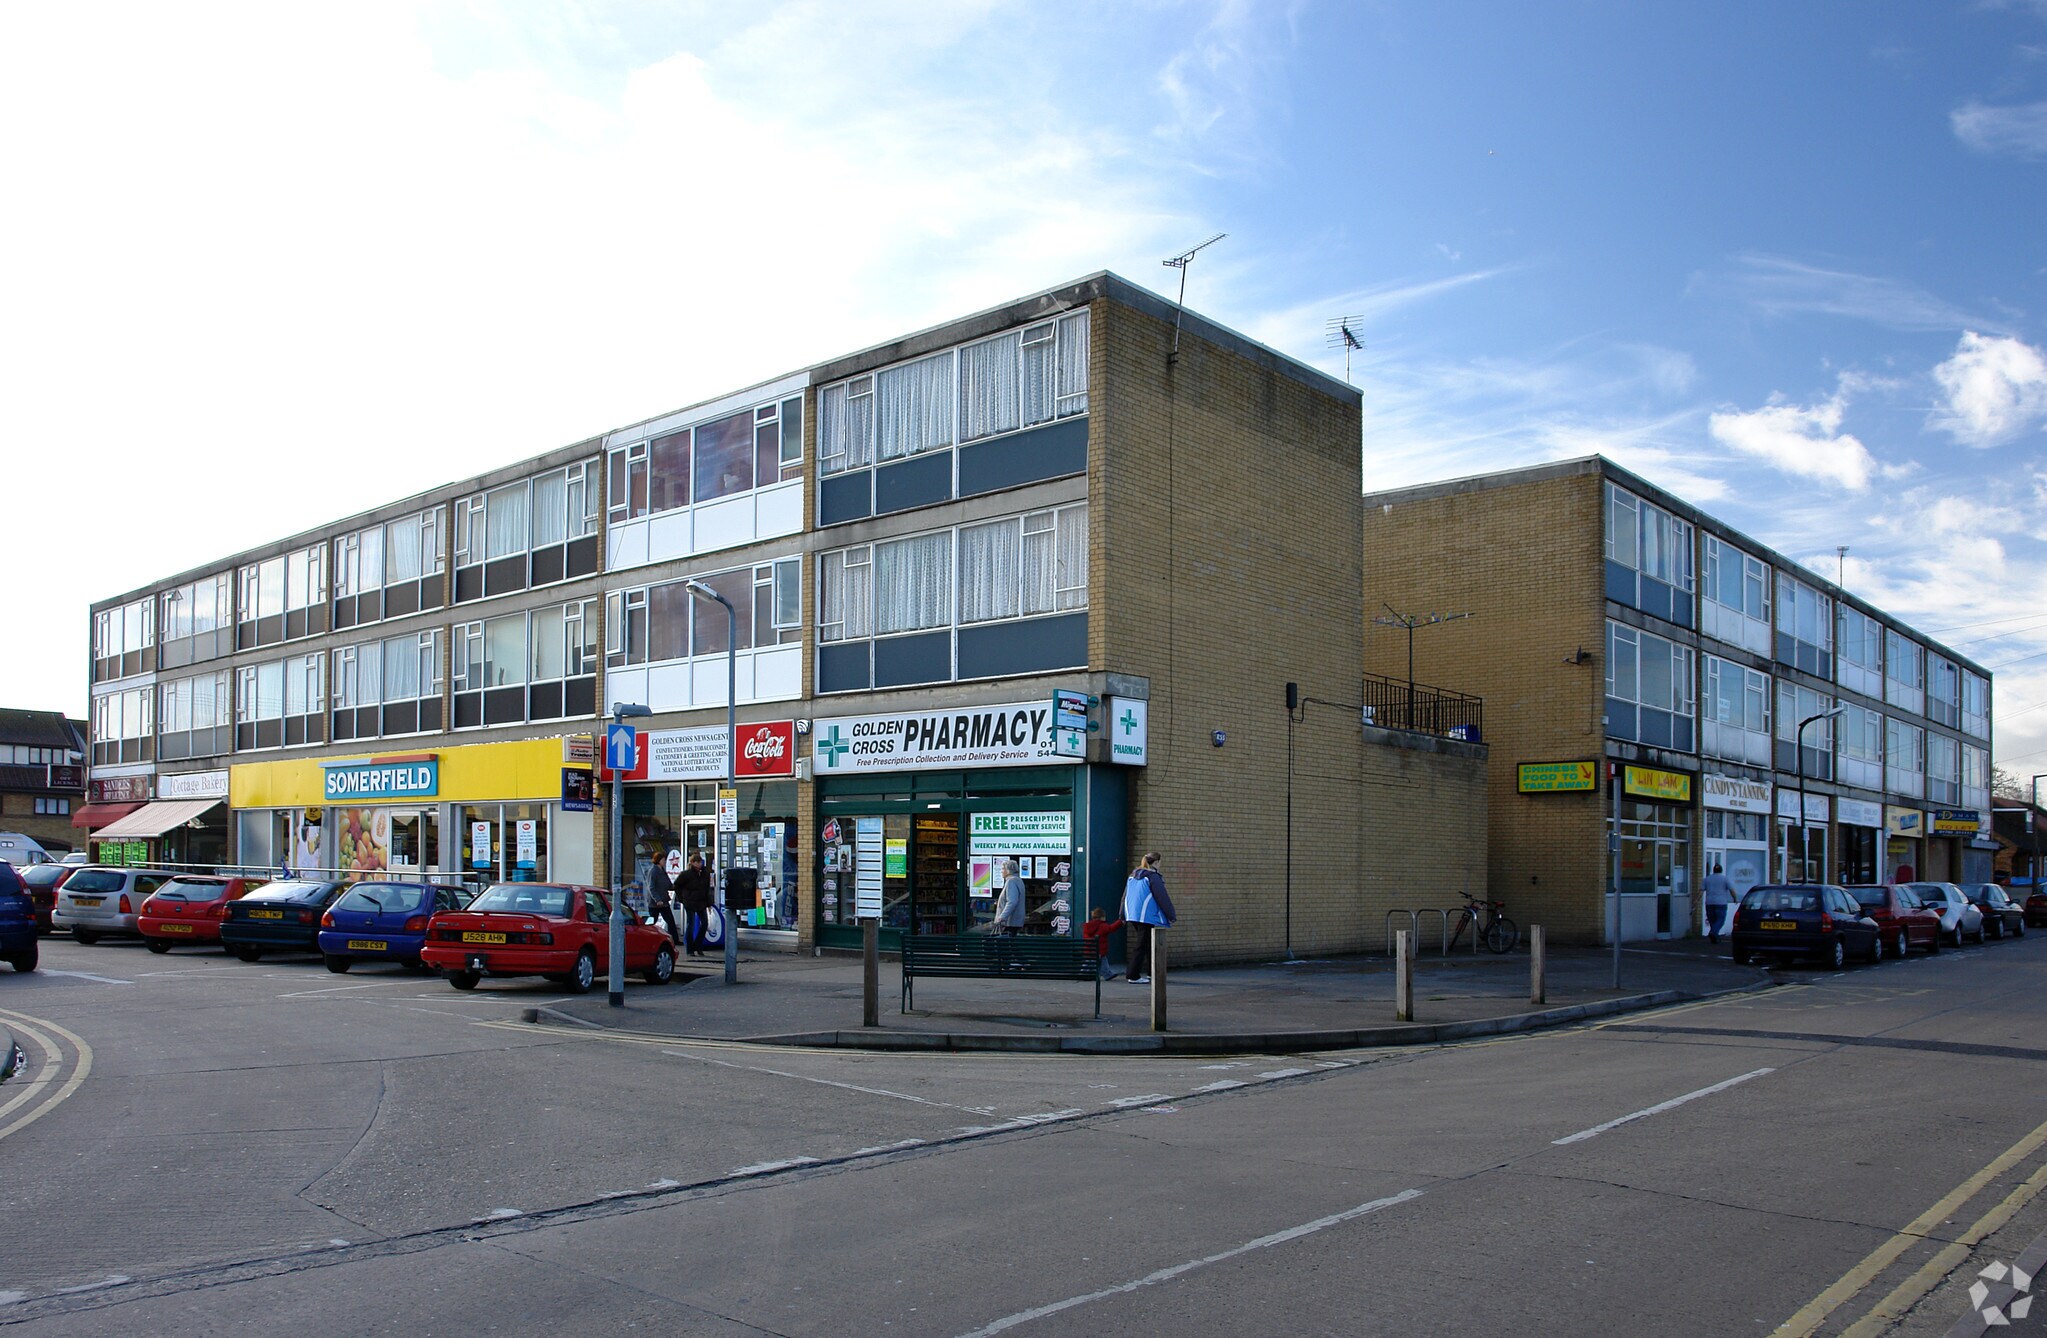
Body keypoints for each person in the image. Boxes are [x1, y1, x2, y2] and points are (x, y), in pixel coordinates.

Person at [1121, 851, 1175, 984]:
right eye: (1160, 862)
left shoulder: (1133, 876)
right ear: (1156, 863)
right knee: (1142, 945)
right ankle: (1133, 975)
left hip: (1132, 914)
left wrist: (1122, 914)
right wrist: (1171, 915)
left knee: (1149, 943)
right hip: (1146, 916)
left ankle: (1153, 972)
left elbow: (1125, 897)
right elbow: (1162, 898)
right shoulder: (1152, 877)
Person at [676, 854, 714, 957]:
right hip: (690, 901)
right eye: (697, 862)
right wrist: (681, 899)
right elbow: (677, 885)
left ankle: (698, 945)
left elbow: (707, 889)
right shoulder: (686, 874)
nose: (700, 864)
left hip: (701, 902)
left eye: (700, 862)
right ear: (692, 863)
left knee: (705, 923)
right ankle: (690, 949)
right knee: (691, 924)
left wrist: (709, 903)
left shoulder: (705, 874)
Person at [646, 854, 681, 948]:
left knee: (670, 921)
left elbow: (668, 885)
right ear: (658, 860)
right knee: (652, 921)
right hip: (655, 903)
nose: (665, 862)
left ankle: (675, 940)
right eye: (663, 860)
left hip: (664, 901)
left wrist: (676, 886)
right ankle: (647, 937)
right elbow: (651, 887)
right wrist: (657, 899)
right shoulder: (653, 871)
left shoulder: (662, 871)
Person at [1082, 905, 1124, 980]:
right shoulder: (1102, 926)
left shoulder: (1087, 926)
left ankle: (1085, 973)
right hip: (1100, 950)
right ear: (1101, 917)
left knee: (1089, 962)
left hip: (1089, 950)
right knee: (1103, 963)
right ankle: (1107, 974)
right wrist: (1120, 922)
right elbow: (1111, 928)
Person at [1701, 862, 1735, 944]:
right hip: (1721, 903)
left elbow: (1701, 891)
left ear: (1713, 870)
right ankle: (1713, 932)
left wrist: (1696, 900)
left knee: (1712, 920)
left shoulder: (1707, 879)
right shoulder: (1725, 879)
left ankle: (1715, 937)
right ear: (1721, 870)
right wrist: (1735, 898)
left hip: (1709, 903)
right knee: (1720, 920)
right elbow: (1731, 890)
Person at [993, 859, 1026, 935]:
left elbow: (1012, 901)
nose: (1001, 871)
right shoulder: (1018, 880)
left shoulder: (1011, 881)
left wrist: (1001, 917)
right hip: (1014, 922)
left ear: (1008, 871)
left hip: (1009, 922)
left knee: (1005, 944)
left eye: (1003, 868)